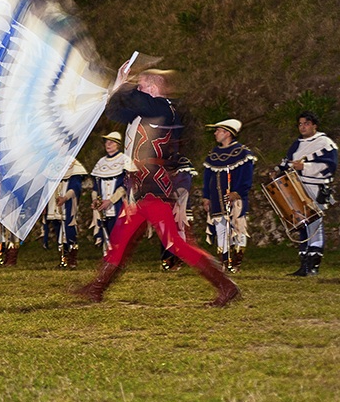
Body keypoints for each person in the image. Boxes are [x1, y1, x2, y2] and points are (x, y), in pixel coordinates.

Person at [75, 65, 239, 306]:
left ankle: (226, 286)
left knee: (177, 243)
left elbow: (133, 99)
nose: (138, 89)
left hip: (156, 191)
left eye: (142, 85)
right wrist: (118, 87)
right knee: (120, 239)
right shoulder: (143, 112)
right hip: (137, 191)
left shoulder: (165, 109)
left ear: (152, 88)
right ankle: (97, 288)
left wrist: (124, 83)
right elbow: (113, 111)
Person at [279, 111, 337, 276]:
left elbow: (330, 166)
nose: (302, 127)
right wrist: (279, 170)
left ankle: (313, 267)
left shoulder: (324, 143)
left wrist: (305, 167)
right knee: (303, 226)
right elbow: (287, 162)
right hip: (298, 188)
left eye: (306, 123)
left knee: (314, 226)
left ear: (314, 125)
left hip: (315, 188)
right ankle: (303, 266)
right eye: (300, 124)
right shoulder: (297, 143)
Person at [201, 119, 256, 272]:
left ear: (227, 133)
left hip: (236, 199)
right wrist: (206, 197)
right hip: (216, 199)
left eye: (218, 130)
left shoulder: (243, 153)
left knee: (238, 228)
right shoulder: (213, 154)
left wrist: (238, 193)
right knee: (220, 228)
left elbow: (246, 177)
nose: (215, 133)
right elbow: (207, 177)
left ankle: (236, 262)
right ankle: (224, 261)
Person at [43, 159, 87, 269]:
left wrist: (65, 197)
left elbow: (75, 186)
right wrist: (44, 204)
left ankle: (72, 260)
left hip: (67, 202)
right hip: (54, 203)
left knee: (69, 230)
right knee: (58, 230)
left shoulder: (73, 163)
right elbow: (45, 187)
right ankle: (63, 259)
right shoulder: (51, 163)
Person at [90, 131, 127, 257]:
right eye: (106, 142)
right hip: (103, 205)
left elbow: (125, 186)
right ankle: (107, 256)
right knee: (104, 229)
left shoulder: (124, 160)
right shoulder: (101, 162)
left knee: (117, 231)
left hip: (117, 204)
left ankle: (117, 258)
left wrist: (111, 200)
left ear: (117, 145)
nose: (108, 144)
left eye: (111, 142)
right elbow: (96, 185)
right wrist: (95, 199)